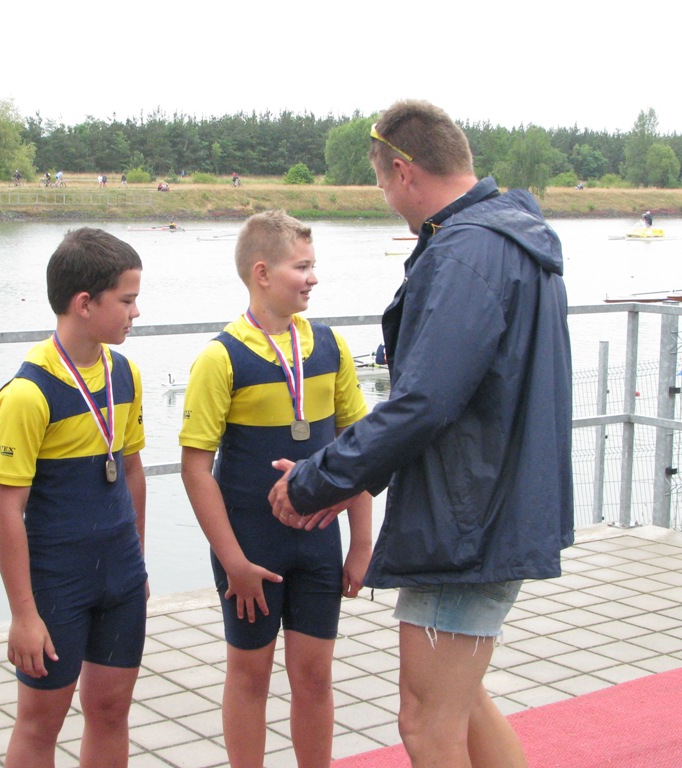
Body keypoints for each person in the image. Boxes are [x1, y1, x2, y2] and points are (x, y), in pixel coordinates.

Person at [269, 100, 574, 768]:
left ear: (404, 171)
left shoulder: (466, 252)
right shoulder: (513, 238)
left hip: (467, 521)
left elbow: (424, 401)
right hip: (500, 505)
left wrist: (320, 480)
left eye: (382, 182)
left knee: (426, 720)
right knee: (463, 705)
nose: (387, 199)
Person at [179, 210, 372, 768]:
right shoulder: (221, 357)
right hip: (250, 550)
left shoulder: (330, 347)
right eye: (302, 267)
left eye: (314, 266)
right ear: (262, 273)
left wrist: (361, 542)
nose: (313, 278)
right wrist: (233, 561)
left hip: (318, 545)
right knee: (250, 677)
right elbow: (196, 470)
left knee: (314, 676)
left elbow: (359, 451)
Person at [0, 227, 148, 768]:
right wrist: (23, 614)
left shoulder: (124, 373)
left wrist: (137, 563)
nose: (136, 312)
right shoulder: (29, 392)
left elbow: (132, 472)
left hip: (121, 574)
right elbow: (5, 509)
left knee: (111, 711)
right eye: (126, 300)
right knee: (40, 725)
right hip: (58, 581)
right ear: (84, 303)